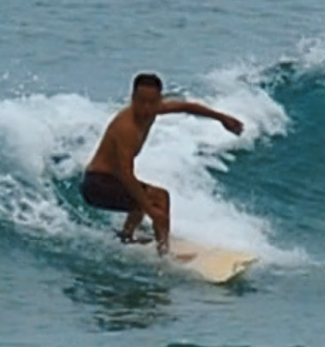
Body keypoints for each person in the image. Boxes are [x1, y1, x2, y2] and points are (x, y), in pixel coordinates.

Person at [80, 73, 244, 254]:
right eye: (141, 101)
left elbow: (186, 107)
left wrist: (221, 118)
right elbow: (126, 174)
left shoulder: (154, 109)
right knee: (158, 197)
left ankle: (127, 237)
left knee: (143, 196)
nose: (146, 108)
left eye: (152, 102)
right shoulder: (126, 128)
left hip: (110, 180)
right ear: (133, 98)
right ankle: (164, 254)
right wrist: (151, 210)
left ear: (159, 100)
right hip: (97, 184)